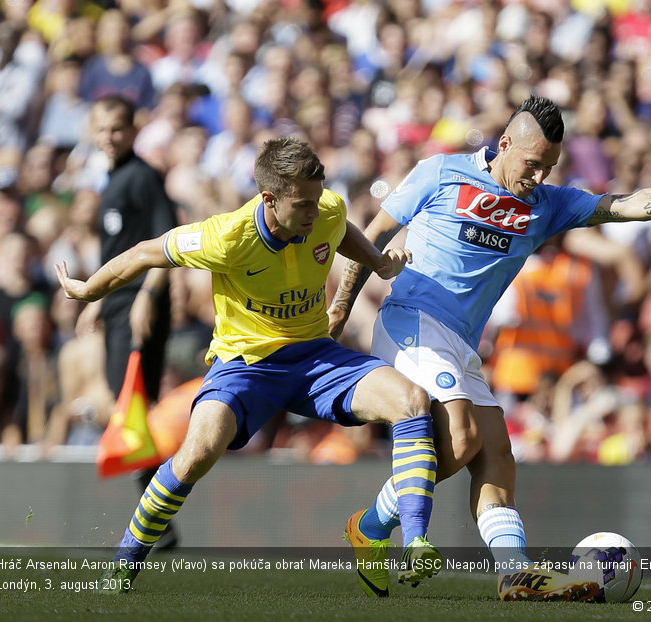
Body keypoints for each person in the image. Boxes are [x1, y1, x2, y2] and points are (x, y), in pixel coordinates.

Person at [328, 95, 651, 601]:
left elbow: (629, 204)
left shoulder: (548, 205)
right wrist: (338, 312)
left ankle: (516, 574)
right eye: (532, 164)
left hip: (461, 342)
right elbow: (369, 238)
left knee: (497, 456)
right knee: (461, 440)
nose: (538, 177)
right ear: (504, 144)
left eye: (548, 168)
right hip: (412, 321)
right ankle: (372, 526)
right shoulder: (440, 172)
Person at [54, 137, 440, 594]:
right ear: (269, 199)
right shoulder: (227, 236)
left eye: (317, 200)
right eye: (303, 205)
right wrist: (88, 290)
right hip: (245, 365)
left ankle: (415, 544)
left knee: (413, 401)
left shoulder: (326, 208)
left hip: (315, 356)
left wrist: (377, 261)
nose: (314, 213)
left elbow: (340, 229)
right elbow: (143, 253)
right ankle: (123, 565)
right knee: (195, 455)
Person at [79, 95, 180, 547]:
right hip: (117, 308)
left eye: (116, 128)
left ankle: (156, 523)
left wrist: (146, 297)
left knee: (134, 415)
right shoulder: (114, 180)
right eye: (101, 128)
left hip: (138, 313)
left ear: (133, 130)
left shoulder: (142, 178)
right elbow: (116, 254)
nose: (108, 137)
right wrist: (98, 298)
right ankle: (157, 524)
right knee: (131, 415)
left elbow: (166, 244)